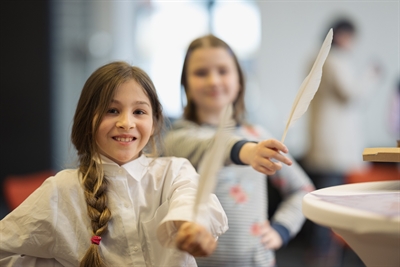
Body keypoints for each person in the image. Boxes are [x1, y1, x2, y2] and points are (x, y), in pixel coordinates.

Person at [0, 61, 229, 267]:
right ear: (87, 119)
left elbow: (194, 200)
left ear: (155, 121)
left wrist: (192, 226)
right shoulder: (60, 190)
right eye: (112, 110)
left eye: (139, 111)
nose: (126, 122)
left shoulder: (175, 171)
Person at [163, 34, 314, 267]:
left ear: (240, 81)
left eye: (223, 71)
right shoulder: (177, 137)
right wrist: (247, 151)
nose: (213, 80)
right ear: (186, 85)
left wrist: (280, 230)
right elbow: (214, 145)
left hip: (256, 261)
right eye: (201, 73)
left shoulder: (258, 135)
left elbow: (302, 189)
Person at [302, 18, 381, 265]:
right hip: (333, 148)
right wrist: (371, 75)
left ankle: (321, 252)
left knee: (323, 201)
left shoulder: (317, 58)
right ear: (344, 35)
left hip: (325, 145)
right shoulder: (334, 60)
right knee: (330, 204)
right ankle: (325, 255)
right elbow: (351, 94)